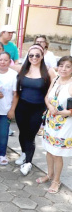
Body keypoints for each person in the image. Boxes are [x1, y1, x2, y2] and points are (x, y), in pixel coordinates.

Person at [15, 44, 56, 176]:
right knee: (22, 133)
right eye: (31, 55)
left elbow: (56, 88)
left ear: (42, 56)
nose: (34, 57)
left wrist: (48, 107)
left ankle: (28, 162)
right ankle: (23, 153)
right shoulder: (24, 69)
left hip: (38, 108)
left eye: (37, 55)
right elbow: (6, 65)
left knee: (30, 135)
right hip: (22, 107)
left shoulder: (48, 71)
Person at [38, 56, 72, 194]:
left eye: (68, 66)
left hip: (64, 125)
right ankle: (49, 174)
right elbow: (47, 97)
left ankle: (56, 181)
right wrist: (50, 107)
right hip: (51, 121)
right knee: (49, 150)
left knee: (57, 153)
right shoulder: (56, 79)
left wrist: (67, 112)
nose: (63, 69)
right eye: (61, 65)